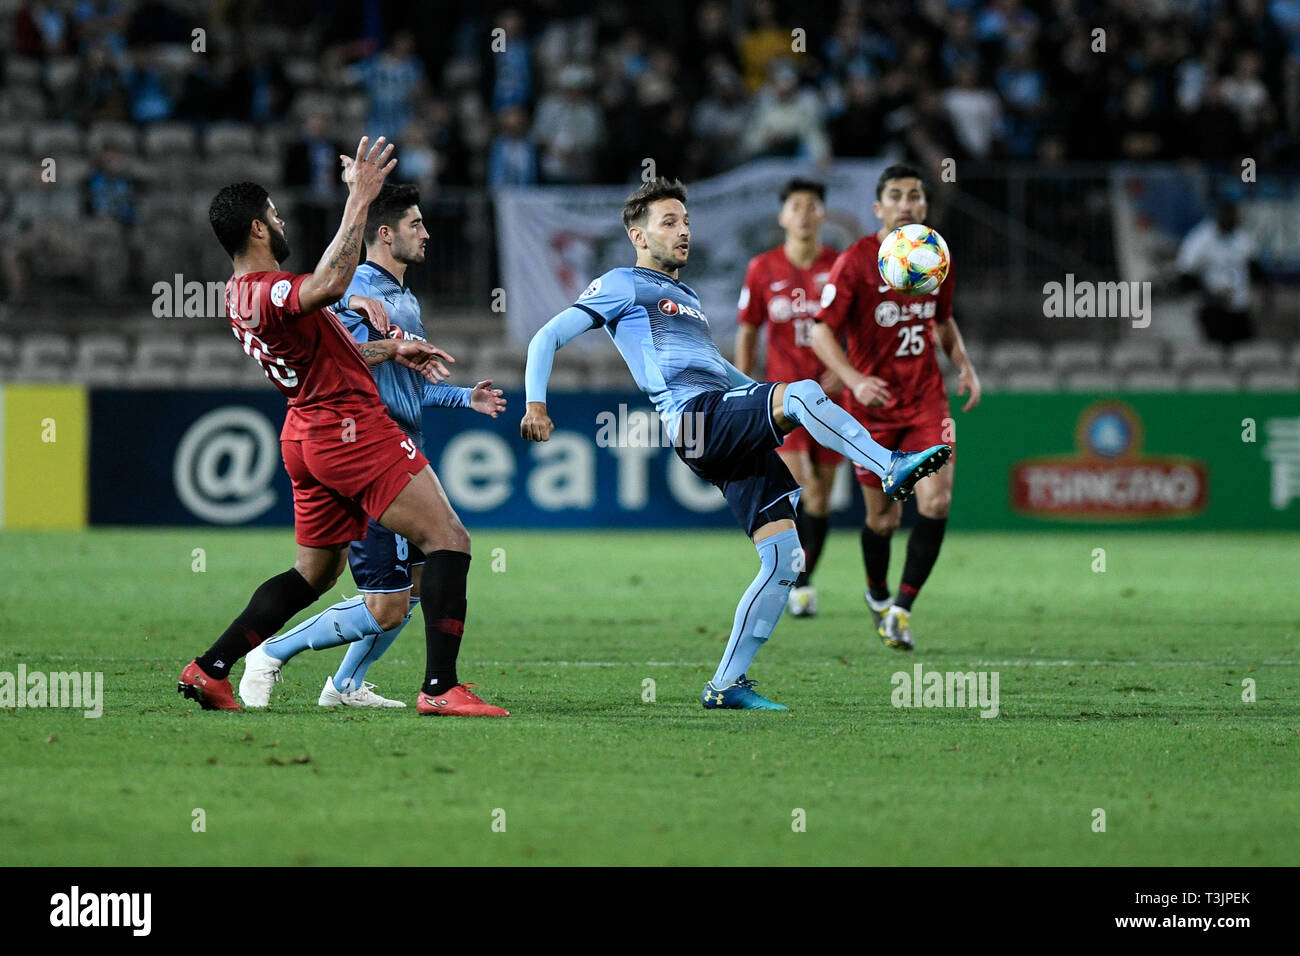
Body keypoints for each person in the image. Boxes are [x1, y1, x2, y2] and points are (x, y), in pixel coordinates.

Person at [521, 178, 950, 710]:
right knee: (804, 393)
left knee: (784, 557)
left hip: (720, 416)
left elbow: (718, 368)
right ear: (637, 235)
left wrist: (759, 393)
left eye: (686, 222)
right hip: (695, 420)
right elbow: (546, 336)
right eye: (669, 223)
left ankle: (725, 684)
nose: (684, 232)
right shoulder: (621, 284)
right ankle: (888, 464)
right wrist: (535, 403)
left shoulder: (686, 296)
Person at [178, 135, 509, 717]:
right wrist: (359, 197)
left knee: (314, 573)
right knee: (449, 538)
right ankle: (439, 690)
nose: (281, 223)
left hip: (305, 432)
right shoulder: (270, 286)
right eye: (275, 216)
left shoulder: (237, 296)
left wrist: (386, 349)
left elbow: (321, 344)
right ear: (258, 229)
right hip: (349, 428)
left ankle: (210, 668)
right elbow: (328, 283)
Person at [811, 164, 981, 652]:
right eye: (896, 196)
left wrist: (964, 366)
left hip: (925, 399)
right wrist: (855, 381)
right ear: (878, 208)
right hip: (872, 409)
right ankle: (878, 593)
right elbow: (821, 331)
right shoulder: (856, 260)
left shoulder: (935, 258)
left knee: (937, 501)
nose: (907, 204)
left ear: (925, 206)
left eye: (915, 196)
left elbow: (942, 321)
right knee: (882, 519)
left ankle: (902, 610)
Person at [734, 178, 841, 618]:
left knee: (821, 500)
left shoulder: (839, 265)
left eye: (812, 205)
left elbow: (858, 326)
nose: (803, 213)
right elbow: (748, 331)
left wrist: (843, 368)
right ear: (782, 216)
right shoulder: (762, 268)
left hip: (833, 398)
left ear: (822, 214)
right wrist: (741, 387)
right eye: (795, 206)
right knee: (803, 489)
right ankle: (798, 584)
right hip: (783, 402)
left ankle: (804, 578)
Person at [1176, 201, 1260, 346]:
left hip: (1240, 307)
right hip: (1213, 308)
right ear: (1220, 215)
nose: (1233, 219)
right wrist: (1209, 294)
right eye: (1229, 215)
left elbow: (1254, 267)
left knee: (1245, 351)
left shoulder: (1242, 237)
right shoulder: (1200, 238)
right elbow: (1185, 274)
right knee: (1215, 353)